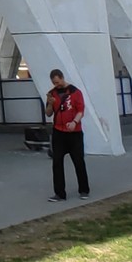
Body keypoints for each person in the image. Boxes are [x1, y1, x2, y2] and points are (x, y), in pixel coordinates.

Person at [45, 69, 89, 202]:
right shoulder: (52, 94)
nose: (56, 85)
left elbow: (81, 110)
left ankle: (84, 189)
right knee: (57, 162)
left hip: (74, 133)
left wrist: (74, 122)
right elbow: (48, 113)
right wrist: (50, 103)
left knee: (78, 161)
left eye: (58, 82)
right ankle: (59, 193)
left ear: (62, 78)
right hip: (59, 132)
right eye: (54, 83)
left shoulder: (75, 92)